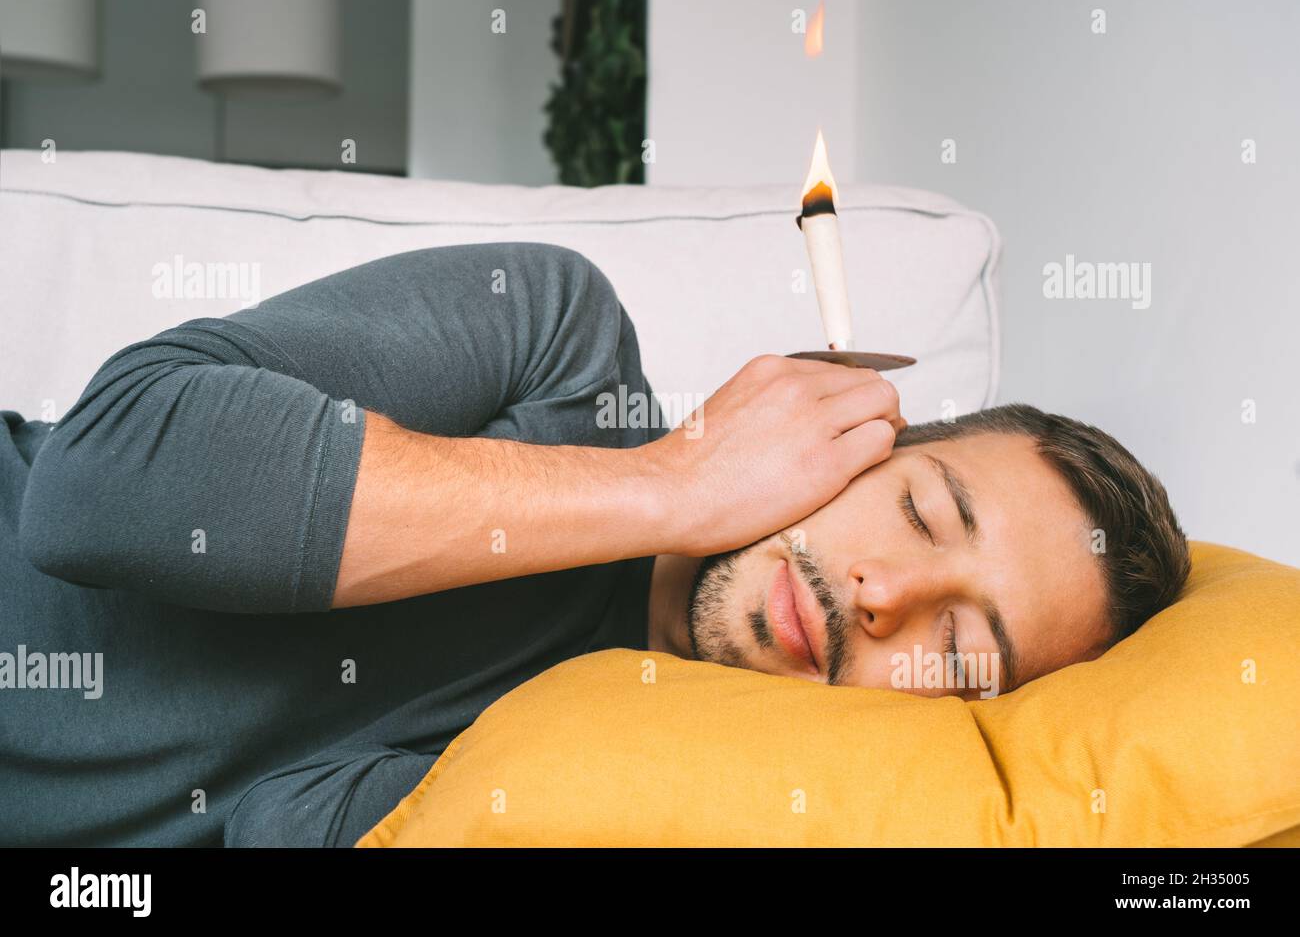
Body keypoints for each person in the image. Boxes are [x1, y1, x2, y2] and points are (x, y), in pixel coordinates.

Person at [0, 244, 1188, 847]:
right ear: (843, 429)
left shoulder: (623, 765)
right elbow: (100, 482)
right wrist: (674, 485)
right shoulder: (560, 339)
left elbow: (268, 827)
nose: (887, 594)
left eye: (957, 650)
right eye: (922, 511)